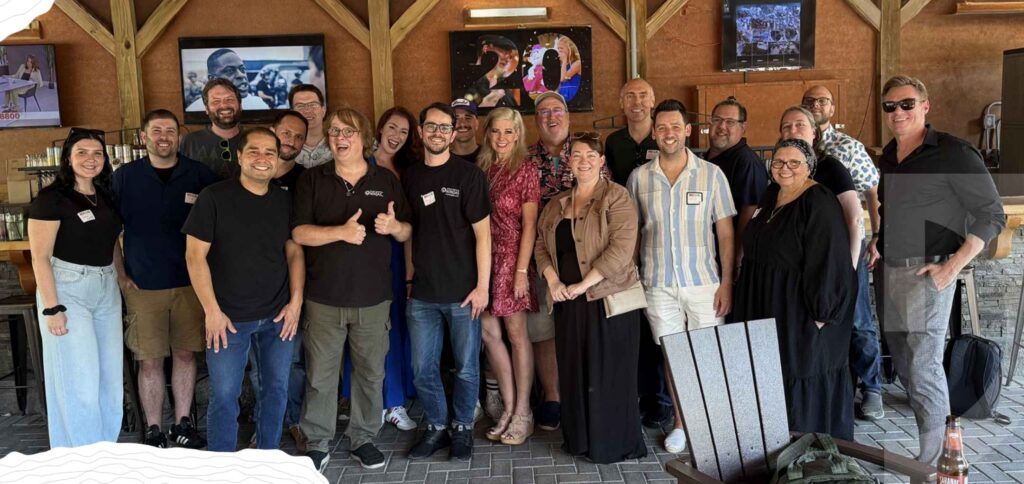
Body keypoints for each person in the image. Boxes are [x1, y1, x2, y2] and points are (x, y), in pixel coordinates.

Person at [876, 75, 1005, 465]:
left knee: (924, 368)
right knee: (905, 367)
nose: (898, 112)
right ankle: (934, 450)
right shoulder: (889, 154)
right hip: (890, 271)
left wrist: (953, 265)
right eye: (890, 107)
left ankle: (936, 464)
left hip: (926, 276)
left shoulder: (954, 152)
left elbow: (991, 214)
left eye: (907, 104)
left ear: (925, 106)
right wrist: (877, 242)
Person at [293, 108, 412, 472]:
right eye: (333, 132)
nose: (340, 138)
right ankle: (317, 441)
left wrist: (394, 227)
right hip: (324, 298)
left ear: (363, 137)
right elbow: (298, 233)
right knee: (321, 375)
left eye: (347, 131)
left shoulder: (386, 180)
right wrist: (339, 233)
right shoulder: (313, 180)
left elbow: (407, 231)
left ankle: (363, 437)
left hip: (373, 299)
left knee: (370, 372)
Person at [183, 127, 304, 452]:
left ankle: (266, 457)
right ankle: (221, 467)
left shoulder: (283, 198)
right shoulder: (214, 197)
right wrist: (212, 311)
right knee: (224, 396)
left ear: (278, 160)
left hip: (278, 316)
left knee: (276, 390)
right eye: (254, 151)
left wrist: (296, 303)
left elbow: (294, 251)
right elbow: (195, 257)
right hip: (228, 319)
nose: (262, 159)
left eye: (270, 153)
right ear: (239, 156)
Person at [627, 99, 736, 454]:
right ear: (654, 132)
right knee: (673, 355)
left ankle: (712, 423)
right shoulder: (639, 178)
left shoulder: (711, 175)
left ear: (688, 130)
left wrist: (727, 282)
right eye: (662, 127)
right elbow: (636, 232)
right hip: (657, 284)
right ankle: (681, 423)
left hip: (704, 282)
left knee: (707, 353)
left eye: (676, 127)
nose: (669, 133)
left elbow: (726, 234)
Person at [732, 138, 857, 440]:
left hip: (797, 311)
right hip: (762, 303)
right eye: (778, 162)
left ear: (809, 167)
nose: (784, 168)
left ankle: (803, 457)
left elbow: (829, 262)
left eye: (794, 163)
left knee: (796, 378)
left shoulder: (818, 201)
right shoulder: (770, 195)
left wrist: (820, 316)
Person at [534, 133, 646, 464]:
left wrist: (584, 285)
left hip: (607, 300)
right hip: (568, 302)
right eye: (577, 154)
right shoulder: (557, 203)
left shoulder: (617, 197)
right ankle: (580, 440)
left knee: (609, 373)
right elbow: (541, 244)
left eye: (590, 155)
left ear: (601, 161)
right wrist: (553, 281)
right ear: (569, 161)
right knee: (575, 371)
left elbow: (621, 250)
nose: (583, 160)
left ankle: (613, 444)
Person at [112, 110, 217, 449]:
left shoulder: (199, 175)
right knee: (150, 359)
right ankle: (155, 429)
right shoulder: (124, 177)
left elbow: (218, 227)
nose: (163, 136)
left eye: (170, 131)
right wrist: (121, 274)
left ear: (179, 137)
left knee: (186, 355)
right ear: (144, 137)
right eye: (156, 130)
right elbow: (110, 231)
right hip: (143, 285)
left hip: (190, 285)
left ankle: (183, 424)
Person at [404, 102, 491, 461]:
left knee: (467, 368)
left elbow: (483, 236)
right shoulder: (410, 176)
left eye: (445, 127)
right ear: (421, 132)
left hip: (463, 292)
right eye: (431, 127)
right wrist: (409, 277)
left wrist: (482, 286)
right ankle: (437, 426)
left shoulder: (468, 176)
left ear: (453, 135)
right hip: (422, 292)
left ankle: (463, 428)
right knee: (423, 369)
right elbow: (409, 232)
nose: (437, 133)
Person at [27, 127, 124, 447]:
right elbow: (40, 258)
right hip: (67, 289)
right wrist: (52, 308)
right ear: (68, 158)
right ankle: (81, 460)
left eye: (97, 153)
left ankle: (104, 449)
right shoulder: (51, 199)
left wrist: (120, 278)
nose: (90, 159)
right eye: (82, 152)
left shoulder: (105, 193)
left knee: (110, 378)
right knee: (78, 379)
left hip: (105, 286)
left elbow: (110, 243)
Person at [801, 85, 884, 420]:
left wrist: (878, 235)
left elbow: (872, 193)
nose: (817, 105)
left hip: (849, 246)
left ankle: (872, 386)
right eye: (810, 101)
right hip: (810, 250)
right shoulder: (795, 153)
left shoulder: (846, 147)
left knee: (859, 317)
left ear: (832, 108)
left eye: (823, 100)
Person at [339, 106, 421, 433]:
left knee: (396, 329)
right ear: (379, 129)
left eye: (404, 131)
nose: (396, 136)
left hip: (398, 257)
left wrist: (411, 272)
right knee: (360, 332)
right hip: (361, 259)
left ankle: (394, 402)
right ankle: (364, 401)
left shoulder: (409, 170)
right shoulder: (361, 165)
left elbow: (411, 225)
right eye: (392, 128)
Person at [603, 78, 671, 430]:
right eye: (629, 95)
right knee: (633, 324)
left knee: (660, 323)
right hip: (625, 247)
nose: (637, 101)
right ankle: (637, 394)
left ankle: (660, 399)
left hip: (662, 243)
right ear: (621, 101)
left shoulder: (665, 139)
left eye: (643, 94)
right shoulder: (613, 143)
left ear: (653, 99)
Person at [477, 107, 540, 445]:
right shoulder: (482, 168)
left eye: (507, 132)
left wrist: (520, 271)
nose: (501, 138)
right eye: (495, 131)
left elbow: (530, 225)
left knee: (517, 336)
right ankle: (508, 406)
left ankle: (524, 411)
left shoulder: (525, 169)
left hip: (511, 259)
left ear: (517, 135)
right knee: (489, 335)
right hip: (482, 259)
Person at [778, 106, 862, 268]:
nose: (793, 130)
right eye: (786, 126)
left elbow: (854, 219)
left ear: (814, 133)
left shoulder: (830, 167)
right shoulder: (782, 171)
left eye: (800, 124)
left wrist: (849, 268)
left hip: (832, 260)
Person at [704, 97, 769, 263]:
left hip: (726, 259)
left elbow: (749, 215)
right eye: (717, 120)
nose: (722, 127)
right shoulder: (705, 160)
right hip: (706, 255)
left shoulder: (748, 163)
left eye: (730, 122)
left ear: (743, 127)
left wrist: (735, 262)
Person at [180, 78, 244, 180]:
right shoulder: (190, 141)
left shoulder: (254, 140)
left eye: (230, 99)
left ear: (240, 106)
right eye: (216, 101)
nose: (223, 105)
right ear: (206, 109)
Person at [185, 48, 265, 111]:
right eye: (229, 71)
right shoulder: (196, 108)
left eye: (242, 69)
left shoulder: (259, 104)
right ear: (212, 79)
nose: (241, 75)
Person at [289, 84, 332, 168]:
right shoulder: (283, 144)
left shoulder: (339, 140)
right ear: (292, 113)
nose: (307, 110)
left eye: (313, 104)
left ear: (323, 110)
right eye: (300, 106)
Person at [270, 110, 308, 192]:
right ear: (272, 132)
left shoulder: (308, 180)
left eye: (299, 137)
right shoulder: (249, 172)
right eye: (286, 133)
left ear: (304, 142)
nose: (291, 142)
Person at [450, 98, 481, 164]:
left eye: (468, 118)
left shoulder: (491, 157)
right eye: (456, 118)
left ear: (477, 124)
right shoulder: (443, 160)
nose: (462, 123)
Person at [554, 35, 582, 102]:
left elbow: (563, 79)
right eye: (558, 48)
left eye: (561, 48)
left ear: (570, 49)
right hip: (562, 94)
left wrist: (564, 60)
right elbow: (558, 83)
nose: (559, 50)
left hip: (572, 94)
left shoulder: (577, 63)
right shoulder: (562, 65)